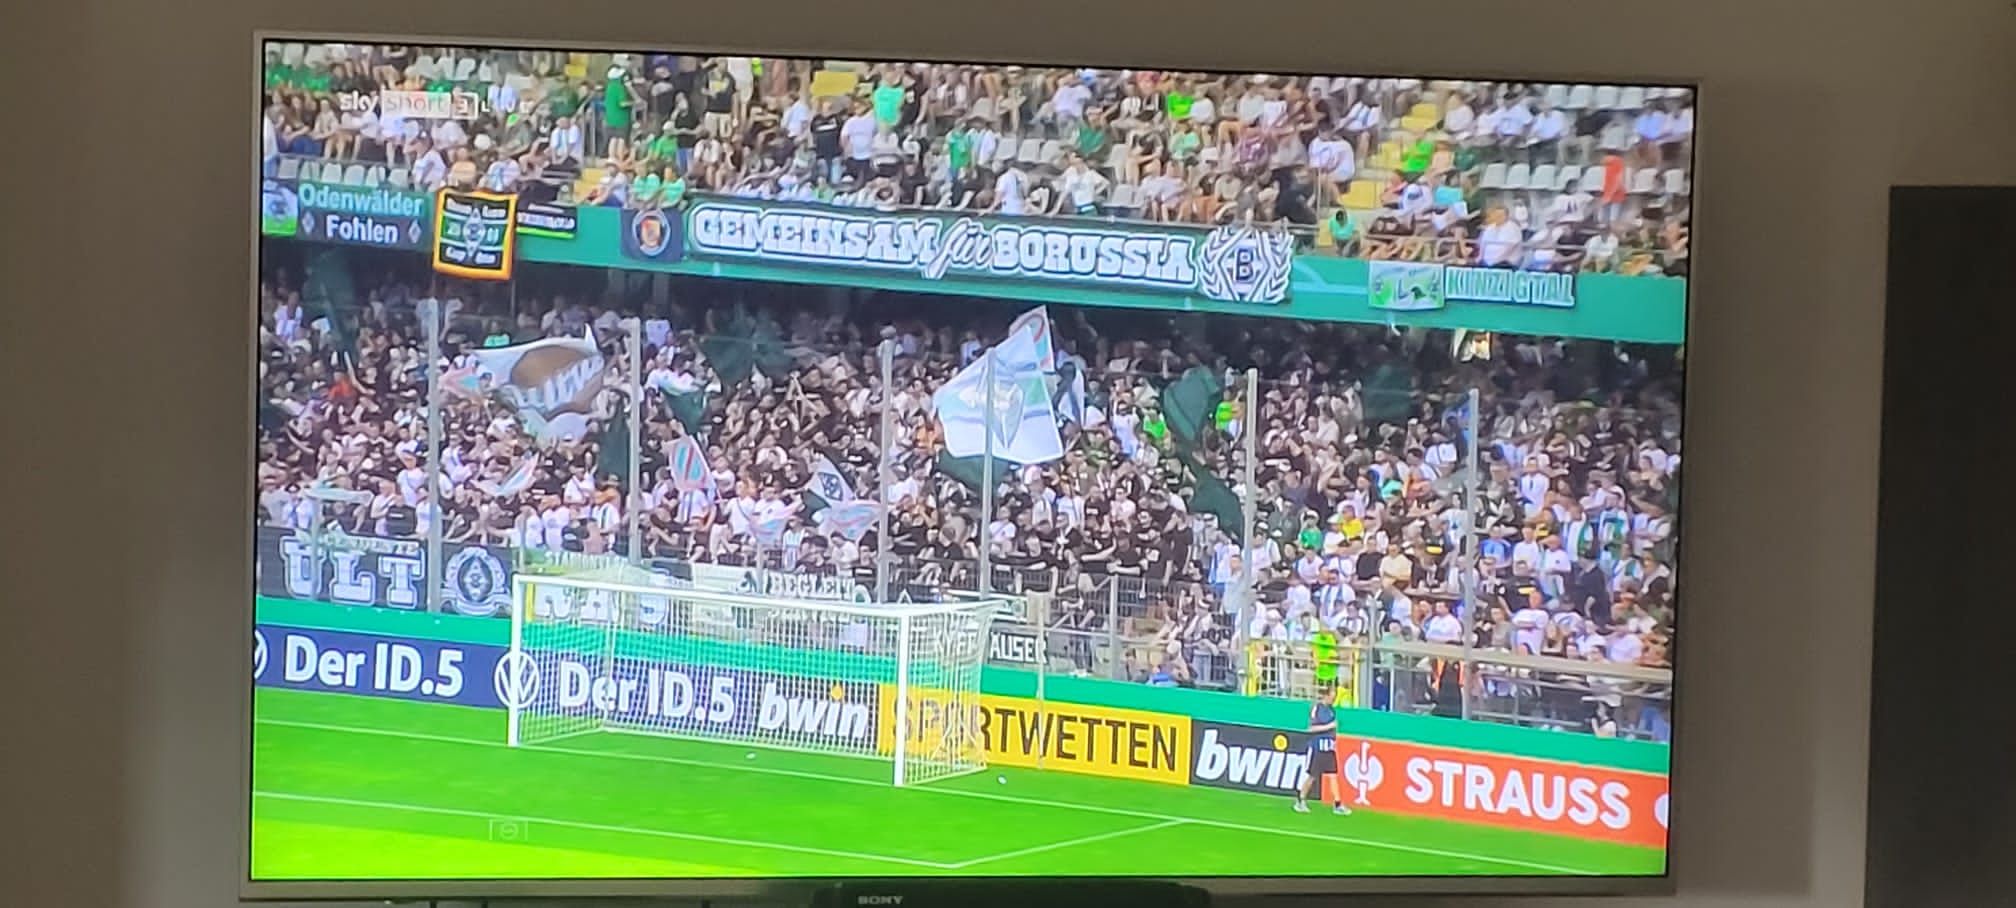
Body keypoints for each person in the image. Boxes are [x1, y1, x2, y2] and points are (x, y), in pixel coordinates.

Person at [1292, 682, 1350, 815]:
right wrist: (1329, 726)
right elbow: (1311, 728)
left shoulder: (1332, 710)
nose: (1333, 700)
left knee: (1333, 775)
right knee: (1312, 776)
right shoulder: (1317, 708)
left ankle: (1337, 804)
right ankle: (1301, 799)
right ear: (1326, 695)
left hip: (1329, 748)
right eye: (1332, 697)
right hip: (1317, 747)